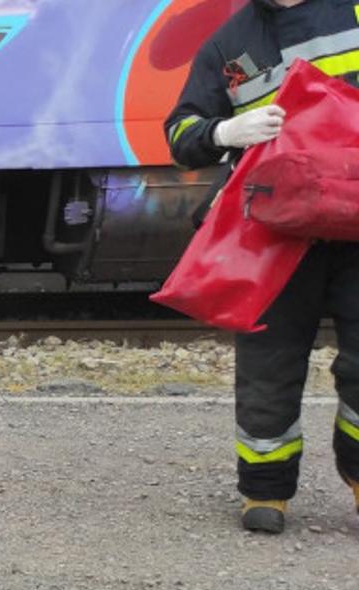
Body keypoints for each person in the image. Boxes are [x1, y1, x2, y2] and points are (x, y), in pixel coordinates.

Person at [164, 0, 359, 534]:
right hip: (276, 233)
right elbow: (180, 134)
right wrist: (226, 133)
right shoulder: (229, 45)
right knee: (268, 368)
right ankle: (265, 490)